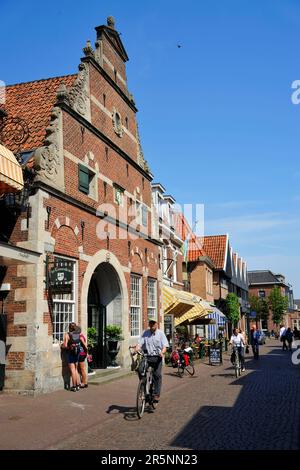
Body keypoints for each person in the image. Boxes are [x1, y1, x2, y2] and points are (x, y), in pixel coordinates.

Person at [136, 319, 169, 403]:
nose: (152, 325)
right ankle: (143, 385)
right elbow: (140, 343)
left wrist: (162, 352)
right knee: (140, 369)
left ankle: (156, 394)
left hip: (157, 357)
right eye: (150, 323)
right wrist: (137, 348)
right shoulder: (145, 333)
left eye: (153, 323)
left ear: (156, 324)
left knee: (157, 375)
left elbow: (165, 346)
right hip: (147, 357)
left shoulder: (161, 334)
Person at [62, 322, 81, 392]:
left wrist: (62, 346)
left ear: (69, 327)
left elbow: (65, 345)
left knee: (72, 370)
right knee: (76, 369)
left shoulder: (68, 334)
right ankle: (78, 385)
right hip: (77, 352)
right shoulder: (78, 334)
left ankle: (74, 386)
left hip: (71, 353)